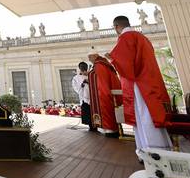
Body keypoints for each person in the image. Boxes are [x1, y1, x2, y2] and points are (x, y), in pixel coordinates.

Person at [105, 15, 171, 153]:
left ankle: (152, 151)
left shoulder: (125, 38)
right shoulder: (142, 37)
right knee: (149, 113)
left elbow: (126, 66)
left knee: (143, 115)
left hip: (139, 84)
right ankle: (158, 147)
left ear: (116, 26)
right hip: (149, 81)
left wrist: (112, 59)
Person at [88, 53, 121, 137]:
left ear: (95, 56)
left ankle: (110, 130)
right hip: (109, 91)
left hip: (103, 93)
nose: (89, 59)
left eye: (90, 57)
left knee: (106, 111)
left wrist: (103, 94)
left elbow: (102, 82)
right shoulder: (104, 63)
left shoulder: (99, 65)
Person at [72, 62, 94, 131]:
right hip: (84, 97)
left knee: (94, 112)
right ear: (79, 68)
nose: (83, 68)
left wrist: (89, 81)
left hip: (93, 98)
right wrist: (82, 85)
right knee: (88, 113)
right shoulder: (76, 78)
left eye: (84, 66)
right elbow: (75, 88)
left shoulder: (91, 75)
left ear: (87, 67)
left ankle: (95, 125)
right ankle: (91, 126)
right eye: (81, 66)